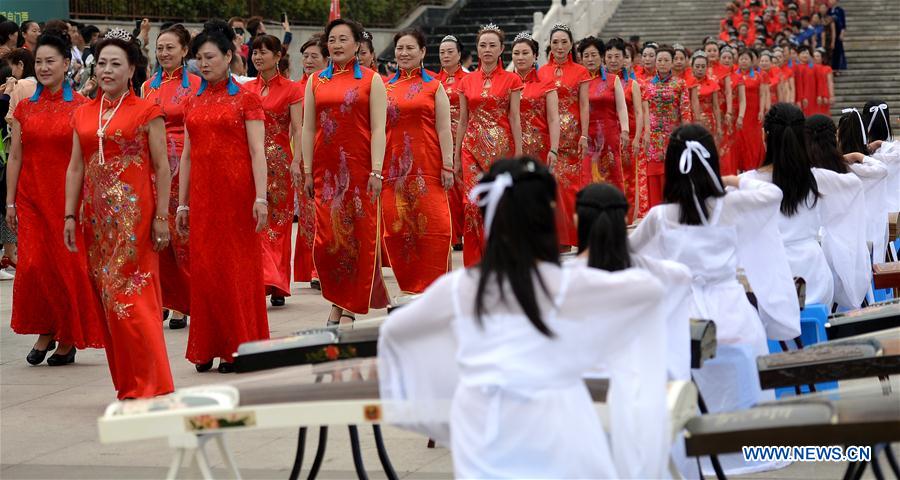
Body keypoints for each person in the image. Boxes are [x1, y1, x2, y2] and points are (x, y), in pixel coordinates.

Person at [378, 157, 670, 479]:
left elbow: (396, 332)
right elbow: (651, 290)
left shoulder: (462, 289)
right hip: (557, 425)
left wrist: (458, 386)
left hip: (484, 427)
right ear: (547, 218)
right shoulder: (564, 284)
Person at [630, 123, 799, 475]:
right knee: (744, 372)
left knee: (687, 377)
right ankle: (748, 448)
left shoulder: (661, 217)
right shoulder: (729, 205)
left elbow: (624, 252)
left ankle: (697, 452)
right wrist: (734, 180)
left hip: (685, 318)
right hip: (732, 310)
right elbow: (774, 196)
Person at [64, 28, 174, 398]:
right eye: (102, 64)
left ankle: (149, 382)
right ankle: (129, 382)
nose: (107, 71)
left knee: (132, 298)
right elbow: (76, 168)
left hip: (135, 219)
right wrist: (69, 215)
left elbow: (162, 166)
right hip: (95, 223)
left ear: (132, 70)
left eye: (116, 64)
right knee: (108, 300)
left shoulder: (147, 110)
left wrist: (161, 217)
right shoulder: (83, 113)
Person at [574, 182, 692, 477]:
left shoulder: (557, 281)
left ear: (578, 221)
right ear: (626, 222)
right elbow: (682, 279)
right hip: (640, 400)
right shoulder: (659, 275)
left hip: (578, 406)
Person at [5, 31, 105, 366]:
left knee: (65, 267)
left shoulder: (81, 107)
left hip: (67, 201)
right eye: (40, 62)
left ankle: (64, 337)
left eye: (52, 61)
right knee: (33, 266)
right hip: (31, 198)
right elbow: (15, 156)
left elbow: (89, 159)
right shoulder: (25, 107)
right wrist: (10, 202)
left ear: (66, 63)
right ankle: (45, 328)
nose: (45, 67)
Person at [176, 20, 270, 373]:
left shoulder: (245, 97)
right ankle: (207, 346)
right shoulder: (192, 99)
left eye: (211, 56)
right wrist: (183, 202)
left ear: (230, 56)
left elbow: (258, 151)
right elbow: (186, 153)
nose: (204, 63)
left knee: (234, 271)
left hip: (237, 197)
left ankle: (237, 347)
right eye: (199, 58)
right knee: (205, 271)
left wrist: (260, 198)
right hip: (202, 197)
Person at [300, 19, 390, 324]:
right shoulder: (316, 81)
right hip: (326, 174)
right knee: (327, 242)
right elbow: (307, 127)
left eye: (343, 39)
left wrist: (376, 171)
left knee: (356, 237)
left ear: (356, 45)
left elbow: (379, 129)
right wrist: (307, 168)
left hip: (360, 170)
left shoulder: (371, 80)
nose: (336, 45)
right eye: (332, 40)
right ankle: (339, 297)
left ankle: (346, 305)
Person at [742, 103, 869, 309]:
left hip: (771, 274)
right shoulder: (816, 178)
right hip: (814, 274)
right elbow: (854, 186)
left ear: (765, 135)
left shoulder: (748, 183)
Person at [381, 29, 454, 294]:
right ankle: (409, 289)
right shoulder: (384, 87)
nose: (404, 53)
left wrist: (447, 164)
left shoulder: (434, 86)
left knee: (434, 226)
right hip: (393, 170)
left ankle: (436, 289)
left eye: (410, 48)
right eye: (399, 48)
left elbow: (444, 129)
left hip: (429, 167)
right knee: (399, 230)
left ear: (422, 52)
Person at [140, 24, 201, 329]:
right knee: (157, 233)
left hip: (186, 163)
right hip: (153, 165)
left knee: (183, 235)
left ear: (185, 50)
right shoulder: (147, 86)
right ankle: (164, 296)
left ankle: (184, 302)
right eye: (160, 48)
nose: (164, 53)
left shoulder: (197, 84)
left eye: (170, 48)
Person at [454, 24, 523, 266]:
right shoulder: (466, 81)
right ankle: (475, 262)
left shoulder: (512, 80)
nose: (487, 50)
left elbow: (515, 117)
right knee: (472, 204)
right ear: (477, 48)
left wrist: (520, 155)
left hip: (502, 152)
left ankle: (501, 256)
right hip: (470, 149)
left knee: (500, 203)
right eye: (483, 45)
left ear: (502, 49)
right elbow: (463, 120)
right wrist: (455, 157)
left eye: (493, 45)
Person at [246, 34, 302, 307]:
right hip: (252, 163)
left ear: (277, 56)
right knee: (259, 221)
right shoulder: (246, 90)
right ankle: (265, 278)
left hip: (280, 163)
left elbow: (299, 129)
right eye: (255, 52)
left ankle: (278, 282)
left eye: (263, 52)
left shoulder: (292, 89)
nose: (257, 57)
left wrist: (297, 161)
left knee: (279, 225)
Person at [808, 113, 889, 265]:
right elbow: (883, 169)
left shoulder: (819, 171)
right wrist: (859, 155)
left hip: (826, 243)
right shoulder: (858, 170)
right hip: (865, 231)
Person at [539, 24, 590, 246]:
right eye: (556, 42)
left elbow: (585, 105)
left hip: (572, 135)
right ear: (550, 44)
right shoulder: (541, 72)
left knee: (570, 187)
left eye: (564, 42)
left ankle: (573, 235)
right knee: (551, 186)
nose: (559, 46)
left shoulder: (580, 72)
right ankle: (556, 238)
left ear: (571, 44)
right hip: (548, 136)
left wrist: (584, 135)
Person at [291, 34, 327, 290]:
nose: (309, 61)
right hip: (305, 156)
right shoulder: (297, 88)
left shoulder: (328, 86)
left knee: (327, 214)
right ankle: (314, 267)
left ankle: (324, 266)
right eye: (305, 56)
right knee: (308, 216)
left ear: (327, 59)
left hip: (330, 154)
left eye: (315, 56)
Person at [640, 45, 691, 216]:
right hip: (652, 137)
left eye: (666, 60)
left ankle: (675, 212)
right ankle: (656, 214)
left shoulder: (680, 84)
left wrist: (686, 134)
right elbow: (642, 111)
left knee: (673, 172)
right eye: (659, 60)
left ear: (672, 62)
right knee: (654, 175)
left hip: (673, 136)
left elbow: (685, 109)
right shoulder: (645, 85)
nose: (662, 63)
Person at [580, 37, 629, 192]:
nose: (590, 59)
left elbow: (621, 107)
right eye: (586, 55)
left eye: (594, 55)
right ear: (581, 58)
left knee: (611, 176)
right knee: (587, 177)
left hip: (609, 135)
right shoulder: (578, 82)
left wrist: (625, 130)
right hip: (585, 137)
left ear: (601, 56)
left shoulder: (613, 80)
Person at [436, 35, 468, 249]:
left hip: (463, 138)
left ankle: (466, 231)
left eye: (450, 51)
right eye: (442, 52)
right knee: (446, 188)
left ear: (459, 55)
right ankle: (452, 234)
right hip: (440, 139)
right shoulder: (432, 81)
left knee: (462, 187)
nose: (445, 55)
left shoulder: (467, 79)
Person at [606, 38, 643, 221]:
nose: (613, 60)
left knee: (628, 177)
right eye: (610, 56)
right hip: (605, 137)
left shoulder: (632, 84)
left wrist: (636, 138)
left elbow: (638, 111)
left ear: (624, 59)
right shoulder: (600, 83)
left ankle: (627, 219)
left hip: (627, 138)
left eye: (617, 56)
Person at [511, 33, 559, 166]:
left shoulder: (546, 83)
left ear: (535, 56)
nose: (520, 57)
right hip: (509, 146)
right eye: (516, 53)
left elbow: (553, 118)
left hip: (539, 147)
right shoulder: (505, 82)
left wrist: (554, 149)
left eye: (525, 53)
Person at [734, 48, 769, 172]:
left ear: (752, 61)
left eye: (746, 59)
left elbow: (762, 95)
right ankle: (740, 166)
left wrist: (761, 110)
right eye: (741, 59)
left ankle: (755, 165)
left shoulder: (758, 76)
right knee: (739, 139)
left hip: (754, 113)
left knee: (753, 140)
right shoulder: (734, 75)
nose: (744, 61)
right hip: (738, 112)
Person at [863, 100, 899, 215]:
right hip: (895, 208)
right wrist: (881, 143)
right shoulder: (894, 149)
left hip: (869, 212)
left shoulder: (860, 154)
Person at [689, 51, 723, 150]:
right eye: (697, 66)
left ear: (707, 67)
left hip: (708, 121)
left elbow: (716, 107)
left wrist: (719, 126)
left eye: (703, 66)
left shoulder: (712, 83)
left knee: (707, 148)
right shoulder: (686, 83)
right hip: (691, 119)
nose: (700, 69)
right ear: (692, 67)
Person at [812, 48, 833, 116]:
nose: (815, 58)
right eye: (814, 56)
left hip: (824, 93)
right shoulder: (810, 68)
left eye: (818, 56)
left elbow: (830, 83)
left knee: (824, 113)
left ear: (822, 58)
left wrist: (831, 96)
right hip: (812, 93)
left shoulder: (827, 68)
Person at [828, 0, 847, 72]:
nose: (830, 1)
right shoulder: (828, 11)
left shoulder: (840, 10)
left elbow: (843, 23)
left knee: (838, 51)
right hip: (830, 34)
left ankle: (838, 68)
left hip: (838, 33)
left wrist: (842, 33)